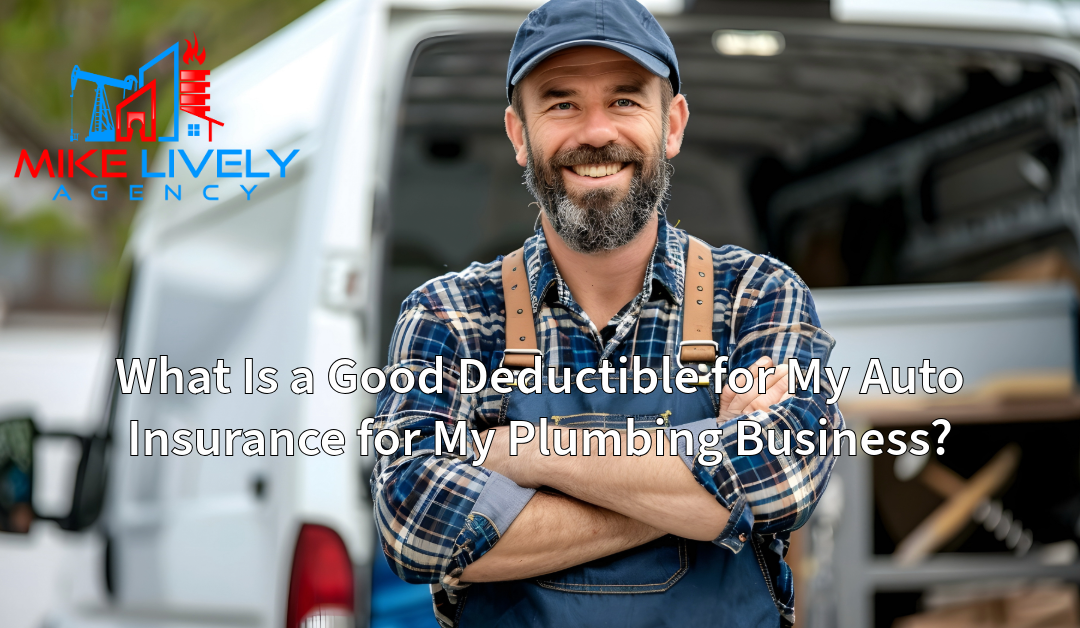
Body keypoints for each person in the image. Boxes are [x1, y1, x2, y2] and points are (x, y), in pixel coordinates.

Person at [371, 0, 844, 625]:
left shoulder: (758, 296)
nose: (596, 133)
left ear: (671, 124)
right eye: (562, 102)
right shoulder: (451, 316)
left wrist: (522, 453)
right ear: (520, 133)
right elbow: (415, 525)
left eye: (624, 100)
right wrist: (698, 484)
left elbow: (782, 477)